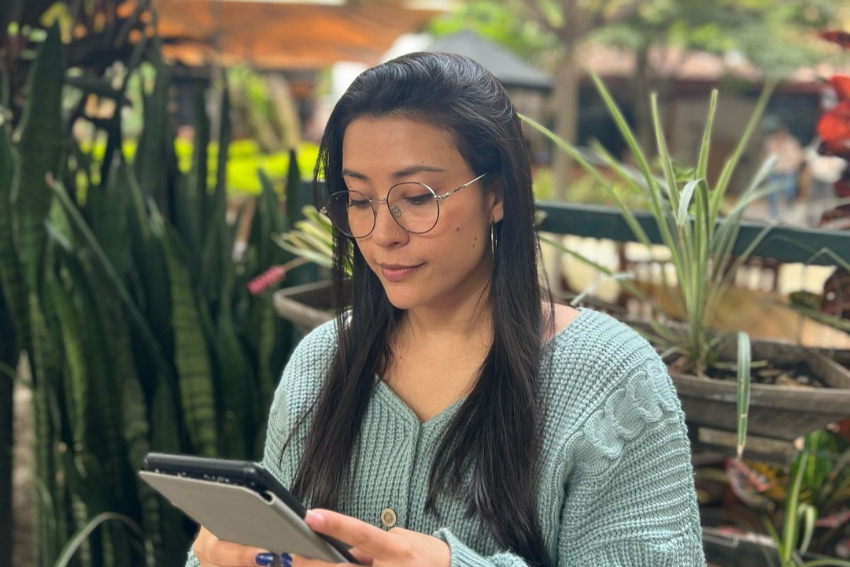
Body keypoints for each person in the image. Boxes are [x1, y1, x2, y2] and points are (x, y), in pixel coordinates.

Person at [188, 52, 706, 567]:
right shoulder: (322, 360)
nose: (383, 235)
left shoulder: (610, 381)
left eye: (417, 197)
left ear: (497, 195)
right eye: (359, 199)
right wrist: (219, 557)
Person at [761, 119, 804, 221]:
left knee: (790, 192)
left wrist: (793, 166)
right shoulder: (770, 142)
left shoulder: (792, 142)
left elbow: (799, 156)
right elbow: (766, 157)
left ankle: (789, 211)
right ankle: (773, 214)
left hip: (788, 171)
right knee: (772, 194)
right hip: (775, 171)